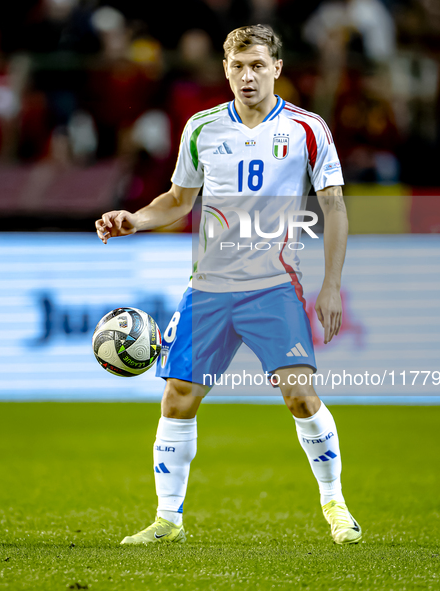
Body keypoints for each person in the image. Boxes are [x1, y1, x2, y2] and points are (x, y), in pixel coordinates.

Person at [95, 24, 362, 546]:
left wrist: (331, 285)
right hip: (211, 287)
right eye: (238, 67)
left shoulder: (309, 129)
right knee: (177, 397)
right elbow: (176, 201)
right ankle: (167, 520)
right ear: (225, 69)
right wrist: (134, 219)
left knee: (301, 396)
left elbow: (333, 207)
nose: (247, 76)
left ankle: (335, 504)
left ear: (277, 69)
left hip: (273, 286)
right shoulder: (201, 128)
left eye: (258, 66)